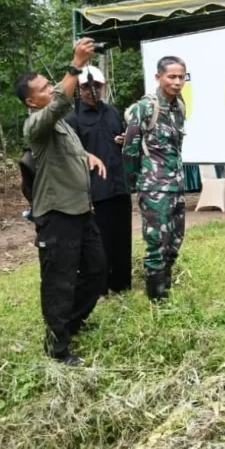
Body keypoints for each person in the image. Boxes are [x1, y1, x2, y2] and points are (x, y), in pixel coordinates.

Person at [15, 38, 108, 365]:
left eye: (50, 83)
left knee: (97, 270)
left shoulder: (60, 127)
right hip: (57, 216)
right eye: (43, 88)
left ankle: (72, 323)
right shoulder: (36, 125)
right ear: (31, 101)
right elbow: (58, 104)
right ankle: (57, 349)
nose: (51, 88)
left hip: (81, 211)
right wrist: (76, 64)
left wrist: (89, 156)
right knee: (59, 282)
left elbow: (70, 152)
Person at [123, 56, 187, 302]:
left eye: (181, 77)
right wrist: (134, 182)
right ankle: (157, 300)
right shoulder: (145, 107)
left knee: (174, 241)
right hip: (153, 187)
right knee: (156, 244)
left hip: (176, 185)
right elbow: (130, 148)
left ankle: (166, 287)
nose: (177, 81)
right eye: (172, 76)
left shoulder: (179, 106)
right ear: (158, 77)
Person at [66, 65, 132, 295]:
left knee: (122, 238)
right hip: (95, 191)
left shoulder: (113, 112)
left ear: (104, 86)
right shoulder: (72, 119)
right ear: (78, 88)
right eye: (86, 86)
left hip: (119, 186)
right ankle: (100, 288)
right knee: (99, 243)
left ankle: (122, 283)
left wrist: (125, 140)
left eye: (97, 85)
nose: (92, 90)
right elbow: (69, 156)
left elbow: (126, 140)